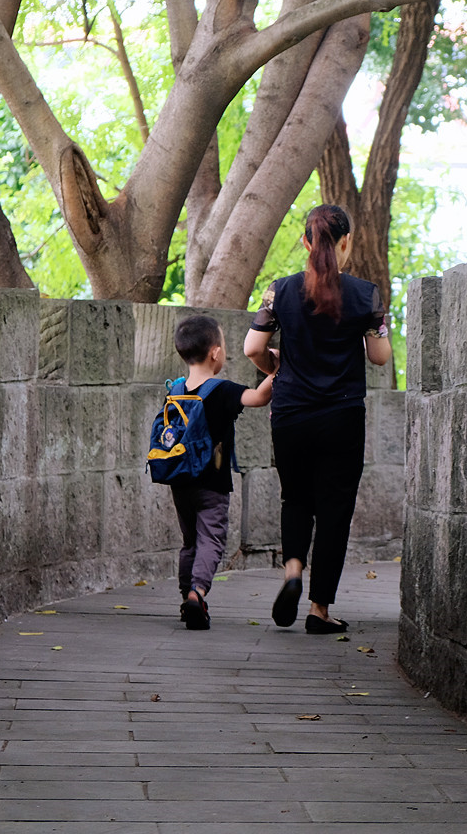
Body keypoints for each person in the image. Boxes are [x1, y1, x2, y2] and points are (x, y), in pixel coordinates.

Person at [244, 205, 391, 634]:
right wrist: (370, 329)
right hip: (342, 415)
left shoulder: (279, 291)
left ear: (306, 242)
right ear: (345, 243)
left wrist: (280, 368)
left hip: (290, 413)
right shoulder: (367, 295)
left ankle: (292, 570)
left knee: (296, 498)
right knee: (334, 511)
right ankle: (319, 609)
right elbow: (380, 357)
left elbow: (253, 348)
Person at [166, 315, 275, 630]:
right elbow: (258, 397)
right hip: (212, 481)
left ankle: (187, 597)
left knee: (189, 541)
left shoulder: (175, 389)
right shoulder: (222, 389)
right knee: (212, 537)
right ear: (215, 353)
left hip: (179, 478)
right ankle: (198, 592)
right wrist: (279, 369)